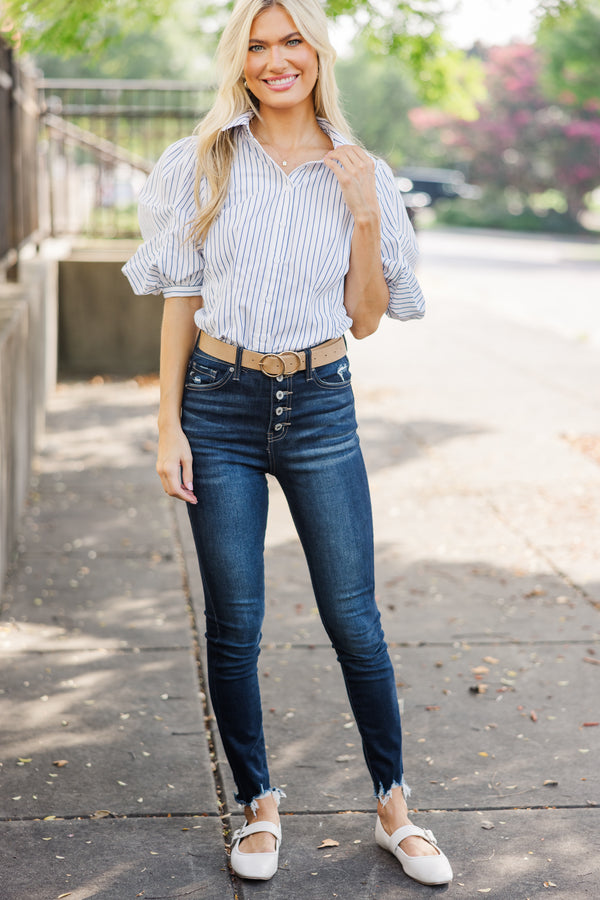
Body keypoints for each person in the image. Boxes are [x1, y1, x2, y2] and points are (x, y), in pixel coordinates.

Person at [123, 0, 452, 886]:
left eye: (292, 42)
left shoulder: (360, 170)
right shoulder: (202, 164)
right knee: (236, 627)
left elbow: (368, 319)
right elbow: (180, 297)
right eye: (259, 46)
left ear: (316, 53)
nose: (277, 61)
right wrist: (168, 427)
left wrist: (365, 215)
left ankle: (394, 807)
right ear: (241, 61)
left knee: (355, 620)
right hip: (219, 407)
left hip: (319, 404)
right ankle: (258, 807)